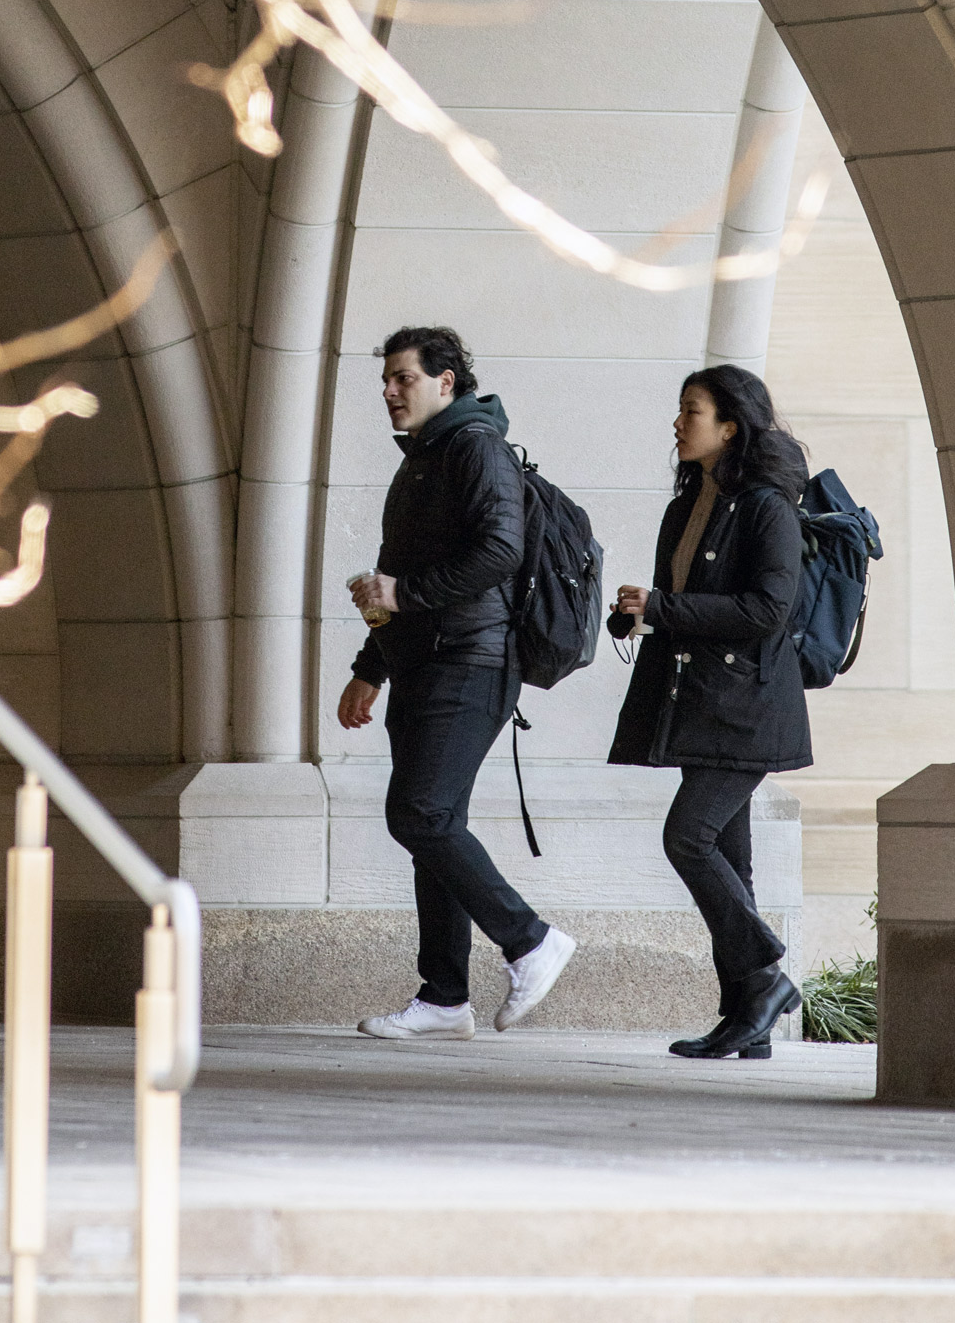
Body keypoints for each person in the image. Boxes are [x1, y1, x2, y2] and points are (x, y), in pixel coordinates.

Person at [340, 324, 577, 1041]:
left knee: (419, 815)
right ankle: (443, 997)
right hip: (424, 662)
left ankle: (531, 940)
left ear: (447, 382)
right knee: (433, 825)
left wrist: (402, 596)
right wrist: (368, 669)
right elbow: (395, 578)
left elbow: (499, 551)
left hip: (470, 662)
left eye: (403, 379)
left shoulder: (474, 447)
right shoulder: (426, 457)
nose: (388, 392)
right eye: (385, 380)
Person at [607, 364, 812, 1060]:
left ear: (730, 425)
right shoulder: (688, 503)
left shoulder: (765, 506)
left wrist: (662, 609)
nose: (677, 421)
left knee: (686, 837)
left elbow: (766, 611)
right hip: (703, 704)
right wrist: (640, 616)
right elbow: (687, 601)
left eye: (690, 410)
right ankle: (744, 1020)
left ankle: (765, 977)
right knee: (729, 855)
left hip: (750, 709)